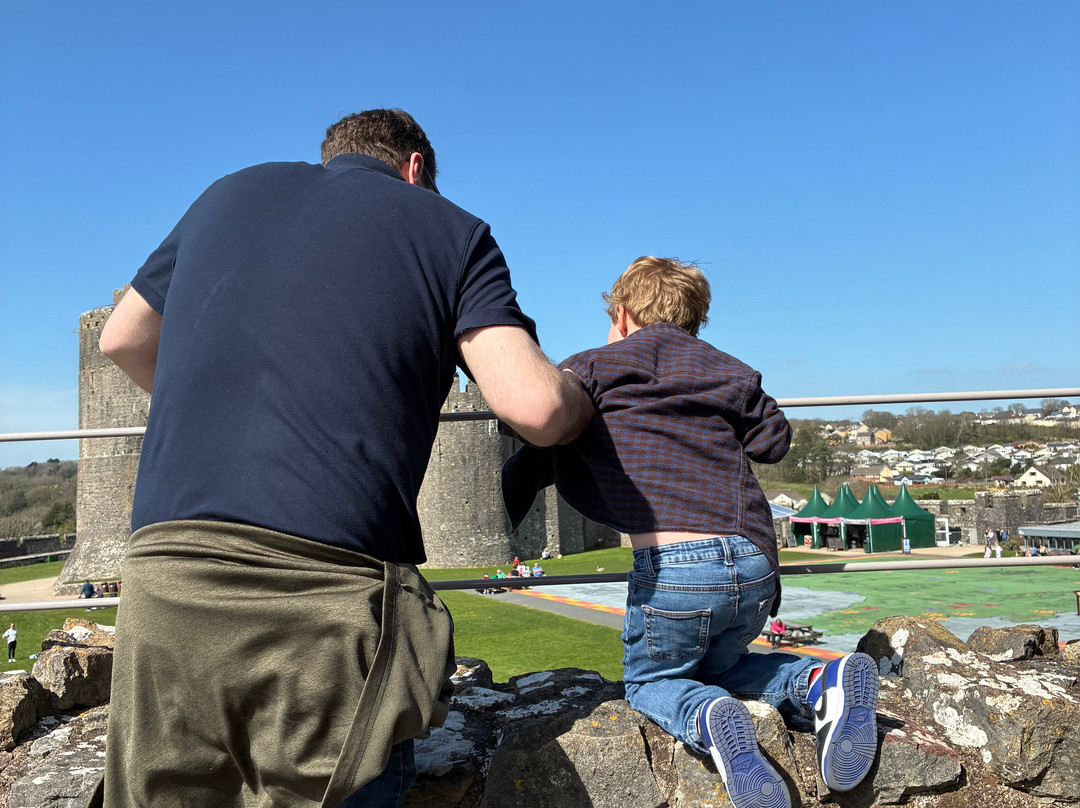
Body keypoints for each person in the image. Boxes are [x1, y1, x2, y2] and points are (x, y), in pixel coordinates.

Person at [97, 108, 594, 808]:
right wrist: (582, 398)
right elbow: (536, 408)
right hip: (322, 602)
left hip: (163, 589)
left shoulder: (226, 193)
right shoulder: (450, 227)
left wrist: (239, 401)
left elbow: (120, 339)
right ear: (415, 167)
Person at [501, 257, 880, 808]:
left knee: (652, 685)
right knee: (723, 668)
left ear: (623, 315)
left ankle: (706, 719)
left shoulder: (594, 366)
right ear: (695, 321)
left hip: (676, 568)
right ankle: (822, 682)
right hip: (752, 559)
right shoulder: (727, 368)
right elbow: (771, 442)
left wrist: (512, 492)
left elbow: (549, 425)